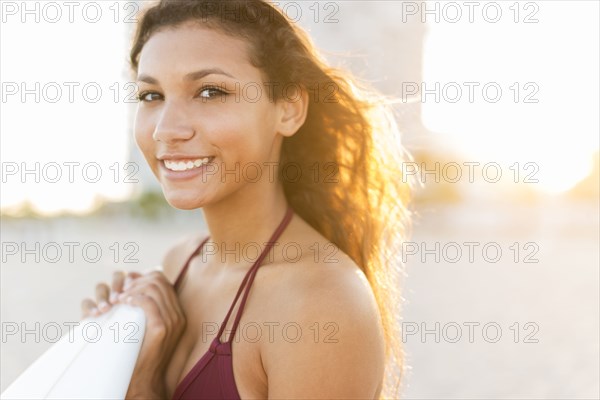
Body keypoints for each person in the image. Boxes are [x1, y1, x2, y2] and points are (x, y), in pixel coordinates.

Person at [81, 1, 414, 398]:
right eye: (152, 96)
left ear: (289, 109)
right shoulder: (180, 263)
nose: (166, 130)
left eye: (209, 91)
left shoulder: (320, 305)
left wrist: (139, 386)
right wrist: (109, 351)